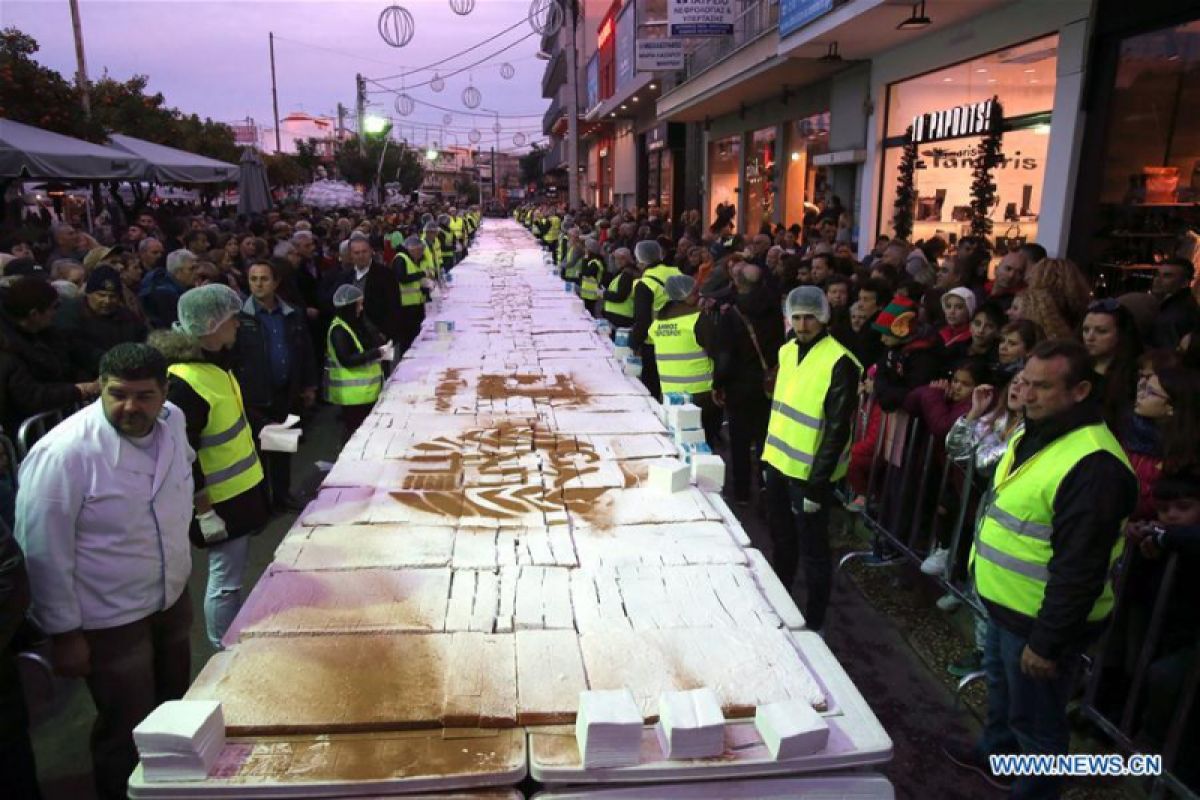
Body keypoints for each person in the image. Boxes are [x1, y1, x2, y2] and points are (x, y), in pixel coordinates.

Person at [945, 339, 1138, 799]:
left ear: (1080, 390)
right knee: (1004, 696)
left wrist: (1048, 643)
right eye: (1024, 383)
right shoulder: (1037, 429)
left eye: (1042, 387)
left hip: (1038, 621)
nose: (1027, 395)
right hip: (1005, 603)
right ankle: (998, 754)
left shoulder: (1094, 464)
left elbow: (1081, 569)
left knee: (1038, 725)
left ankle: (1034, 789)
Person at [15, 343, 195, 800]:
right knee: (127, 725)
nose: (129, 407)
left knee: (175, 705)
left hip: (171, 594)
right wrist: (65, 633)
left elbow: (183, 476)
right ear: (100, 387)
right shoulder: (63, 455)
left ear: (164, 392)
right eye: (116, 394)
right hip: (110, 615)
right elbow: (42, 551)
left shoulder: (173, 420)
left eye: (143, 396)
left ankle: (177, 789)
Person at [152, 285, 270, 650]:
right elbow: (183, 452)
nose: (237, 324)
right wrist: (203, 510)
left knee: (232, 573)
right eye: (231, 318)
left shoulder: (214, 365)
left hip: (240, 491)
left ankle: (232, 632)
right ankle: (223, 647)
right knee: (226, 578)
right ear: (210, 326)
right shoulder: (184, 382)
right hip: (220, 501)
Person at [762, 286, 861, 633]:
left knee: (814, 551)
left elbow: (836, 432)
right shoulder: (788, 351)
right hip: (778, 463)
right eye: (797, 317)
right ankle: (781, 601)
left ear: (823, 318)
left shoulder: (840, 363)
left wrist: (817, 485)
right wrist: (768, 460)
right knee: (782, 540)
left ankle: (814, 621)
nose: (802, 325)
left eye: (809, 318)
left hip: (809, 476)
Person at [234, 260, 318, 512]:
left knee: (282, 450)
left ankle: (282, 496)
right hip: (254, 398)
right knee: (257, 456)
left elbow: (305, 351)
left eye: (264, 279)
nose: (258, 284)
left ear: (276, 282)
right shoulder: (241, 317)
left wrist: (309, 385)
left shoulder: (291, 313)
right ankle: (260, 506)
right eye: (253, 279)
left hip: (285, 393)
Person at [713, 260, 783, 505]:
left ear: (737, 283)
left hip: (739, 386)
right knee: (766, 439)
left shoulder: (731, 314)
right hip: (768, 384)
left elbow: (724, 356)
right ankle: (766, 489)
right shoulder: (775, 309)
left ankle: (742, 492)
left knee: (740, 442)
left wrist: (717, 384)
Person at [648, 274, 720, 447]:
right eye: (695, 292)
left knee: (679, 444)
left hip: (670, 394)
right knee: (703, 446)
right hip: (701, 394)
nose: (699, 295)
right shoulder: (697, 319)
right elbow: (717, 351)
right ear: (685, 295)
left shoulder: (658, 323)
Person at [56, 265, 148, 375]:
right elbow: (75, 348)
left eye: (113, 296)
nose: (107, 301)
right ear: (89, 293)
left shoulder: (127, 317)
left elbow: (142, 340)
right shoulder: (69, 314)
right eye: (101, 295)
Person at [326, 284, 388, 440]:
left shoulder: (354, 323)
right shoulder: (339, 330)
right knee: (356, 435)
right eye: (358, 305)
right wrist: (376, 353)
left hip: (366, 392)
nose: (361, 308)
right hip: (353, 396)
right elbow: (346, 359)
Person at [628, 240, 683, 400]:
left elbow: (643, 320)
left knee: (651, 386)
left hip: (654, 342)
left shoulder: (645, 284)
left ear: (641, 260)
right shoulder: (677, 273)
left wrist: (632, 344)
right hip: (680, 337)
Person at [1148, 257, 1199, 350]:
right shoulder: (1181, 303)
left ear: (1184, 283)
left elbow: (1166, 355)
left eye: (1167, 276)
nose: (1157, 280)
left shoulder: (1175, 315)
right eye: (1157, 275)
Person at [140, 248, 196, 329]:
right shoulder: (166, 295)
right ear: (177, 272)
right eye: (191, 269)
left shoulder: (177, 288)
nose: (196, 272)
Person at [392, 235, 429, 354]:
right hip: (405, 306)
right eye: (419, 251)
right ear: (412, 249)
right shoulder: (400, 259)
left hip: (415, 303)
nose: (420, 255)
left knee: (416, 336)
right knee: (407, 339)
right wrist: (420, 274)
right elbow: (402, 278)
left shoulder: (411, 259)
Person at [602, 247, 639, 330]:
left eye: (616, 259)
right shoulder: (626, 272)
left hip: (621, 316)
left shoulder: (627, 274)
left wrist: (604, 294)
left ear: (623, 259)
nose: (615, 262)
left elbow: (621, 296)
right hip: (620, 315)